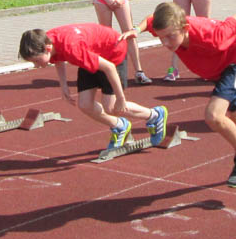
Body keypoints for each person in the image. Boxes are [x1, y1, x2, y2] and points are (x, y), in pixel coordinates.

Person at [123, 2, 236, 188]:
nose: (165, 43)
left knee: (214, 115)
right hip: (219, 70)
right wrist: (136, 30)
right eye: (160, 38)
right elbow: (150, 20)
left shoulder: (214, 35)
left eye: (169, 37)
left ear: (185, 28)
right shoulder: (169, 24)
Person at [19, 23, 168, 151]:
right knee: (84, 105)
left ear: (48, 48)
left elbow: (109, 67)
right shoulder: (48, 40)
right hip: (91, 53)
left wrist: (121, 98)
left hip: (112, 54)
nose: (36, 66)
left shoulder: (72, 48)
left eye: (37, 61)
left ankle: (155, 115)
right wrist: (63, 85)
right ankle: (120, 126)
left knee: (112, 107)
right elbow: (58, 59)